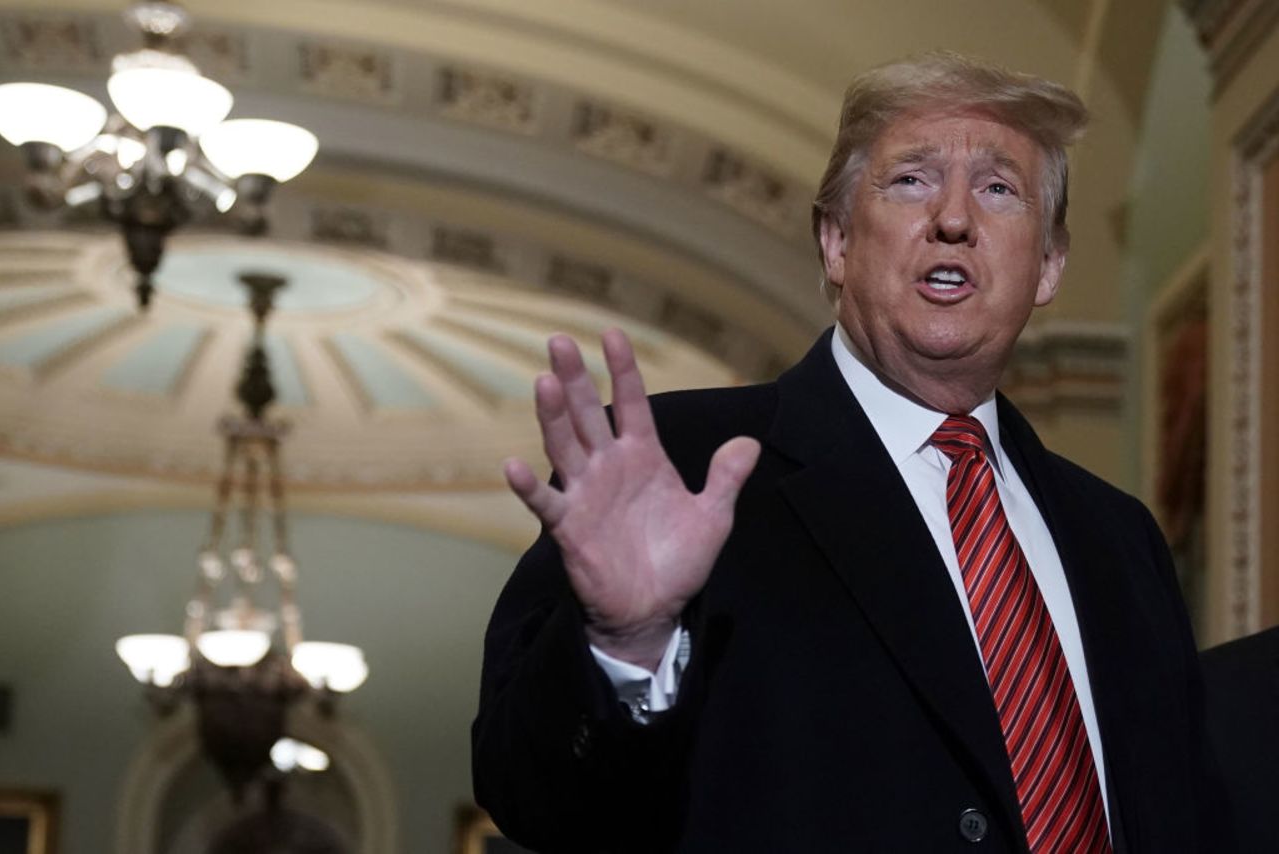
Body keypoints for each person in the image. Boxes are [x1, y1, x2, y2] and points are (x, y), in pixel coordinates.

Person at [472, 52, 1227, 853]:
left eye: (1000, 188)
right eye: (910, 180)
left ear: (1047, 266)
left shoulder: (1120, 537)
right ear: (835, 241)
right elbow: (536, 799)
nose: (955, 218)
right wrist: (624, 644)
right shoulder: (683, 466)